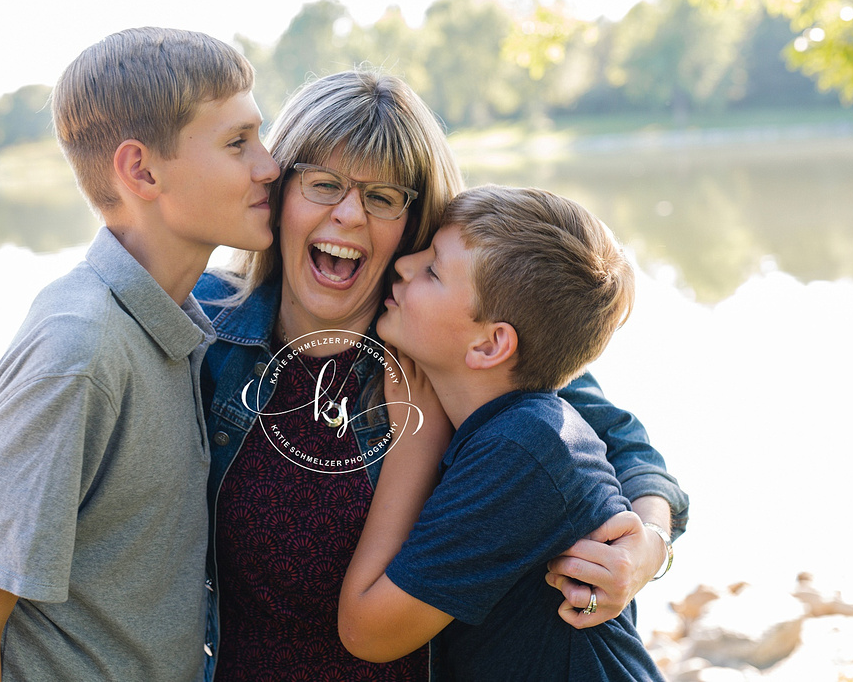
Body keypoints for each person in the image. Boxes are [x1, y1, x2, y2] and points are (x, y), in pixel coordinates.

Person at [192, 70, 687, 680]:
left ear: (413, 220)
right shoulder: (204, 325)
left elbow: (621, 448)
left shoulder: (449, 347)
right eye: (322, 184)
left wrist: (645, 549)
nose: (348, 214)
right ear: (280, 192)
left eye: (382, 197)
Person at [0, 27, 279, 682]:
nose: (270, 165)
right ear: (141, 171)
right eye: (238, 143)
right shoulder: (79, 351)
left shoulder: (174, 326)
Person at [339, 185, 665, 680]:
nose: (404, 265)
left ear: (491, 344)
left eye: (431, 270)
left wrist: (412, 444)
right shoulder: (523, 425)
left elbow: (367, 629)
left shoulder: (522, 449)